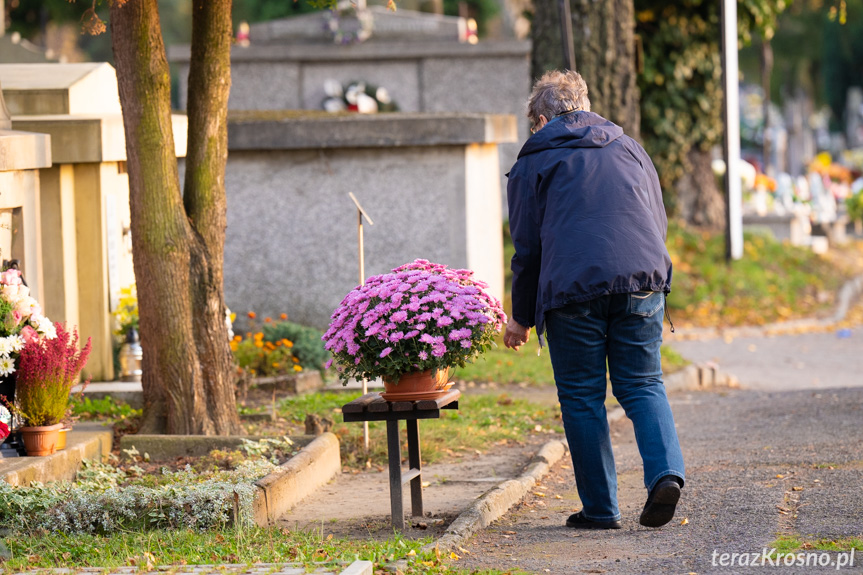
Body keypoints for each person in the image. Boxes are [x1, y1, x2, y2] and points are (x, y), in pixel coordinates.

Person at [503, 70, 685, 530]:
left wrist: (520, 318)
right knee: (643, 384)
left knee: (583, 397)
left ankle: (601, 509)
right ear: (584, 104)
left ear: (541, 118)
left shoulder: (535, 160)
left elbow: (527, 247)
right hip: (642, 280)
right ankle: (665, 474)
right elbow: (655, 218)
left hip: (572, 290)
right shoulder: (629, 148)